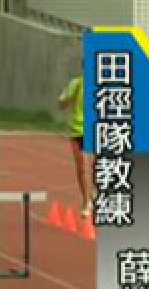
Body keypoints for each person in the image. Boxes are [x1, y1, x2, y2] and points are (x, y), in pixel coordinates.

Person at [58, 70, 92, 218]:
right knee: (82, 166)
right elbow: (62, 103)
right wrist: (64, 100)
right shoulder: (77, 83)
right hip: (78, 129)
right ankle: (86, 202)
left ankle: (95, 194)